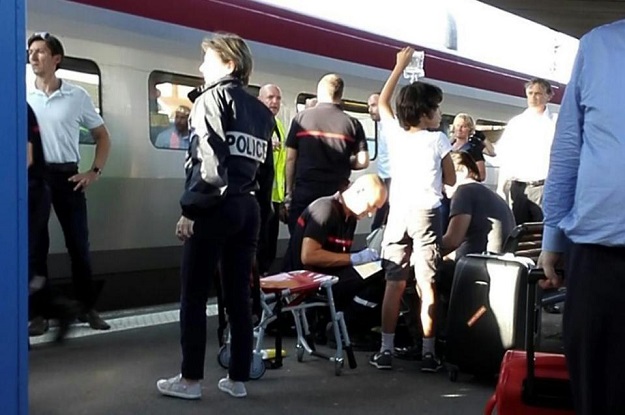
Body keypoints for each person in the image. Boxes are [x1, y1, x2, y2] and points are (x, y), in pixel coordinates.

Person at [157, 33, 275, 400]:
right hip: (250, 209)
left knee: (193, 295)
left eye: (206, 60)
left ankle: (190, 380)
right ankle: (237, 378)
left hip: (215, 208)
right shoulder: (261, 112)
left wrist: (190, 211)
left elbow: (209, 164)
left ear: (229, 64)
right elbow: (267, 172)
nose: (200, 67)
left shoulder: (210, 100)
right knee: (238, 295)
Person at [538, 19, 625, 415]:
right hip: (599, 253)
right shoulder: (598, 46)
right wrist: (553, 236)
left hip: (598, 252)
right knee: (597, 393)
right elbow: (569, 145)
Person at [369, 47, 455, 372]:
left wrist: (398, 67)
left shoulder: (396, 135)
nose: (438, 114)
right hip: (427, 215)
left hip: (398, 214)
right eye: (435, 109)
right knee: (426, 284)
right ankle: (429, 353)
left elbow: (382, 102)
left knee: (394, 282)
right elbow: (450, 178)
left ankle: (385, 350)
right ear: (424, 113)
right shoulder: (438, 141)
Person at [26, 32, 112, 332]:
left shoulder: (77, 96)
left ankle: (87, 308)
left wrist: (94, 171)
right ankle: (38, 314)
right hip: (35, 177)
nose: (33, 56)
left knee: (78, 245)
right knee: (36, 247)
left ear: (56, 59)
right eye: (31, 51)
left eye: (40, 52)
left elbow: (102, 136)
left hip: (68, 177)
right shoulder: (23, 94)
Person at [283, 174, 387, 309]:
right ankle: (348, 322)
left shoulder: (350, 218)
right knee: (377, 277)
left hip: (328, 277)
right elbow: (308, 256)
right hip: (309, 283)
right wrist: (355, 258)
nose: (370, 214)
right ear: (359, 191)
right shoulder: (325, 209)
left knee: (382, 272)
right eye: (371, 206)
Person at [284, 73, 369, 234]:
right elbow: (363, 161)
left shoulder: (301, 119)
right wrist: (344, 161)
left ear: (320, 92)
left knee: (299, 242)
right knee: (331, 244)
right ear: (340, 94)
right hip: (336, 194)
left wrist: (289, 193)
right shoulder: (352, 124)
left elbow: (290, 159)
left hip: (305, 192)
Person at [27, 103, 78, 342]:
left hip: (31, 193)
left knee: (25, 266)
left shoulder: (17, 106)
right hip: (26, 192)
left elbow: (26, 158)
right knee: (26, 268)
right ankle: (58, 309)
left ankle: (58, 308)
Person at [438, 152, 515, 296]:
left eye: (444, 176)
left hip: (477, 265)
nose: (442, 184)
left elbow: (453, 240)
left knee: (425, 273)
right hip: (498, 263)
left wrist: (424, 251)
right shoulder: (490, 194)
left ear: (464, 171)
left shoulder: (464, 192)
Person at [496, 78, 557, 225]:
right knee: (519, 231)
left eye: (538, 93)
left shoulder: (556, 122)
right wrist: (501, 186)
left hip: (544, 186)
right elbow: (506, 156)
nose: (533, 97)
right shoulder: (516, 123)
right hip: (519, 187)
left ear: (549, 96)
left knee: (543, 231)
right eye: (530, 93)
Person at [256, 84, 286, 275]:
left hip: (273, 199)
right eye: (270, 97)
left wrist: (282, 199)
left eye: (277, 98)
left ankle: (264, 280)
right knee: (258, 244)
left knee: (269, 246)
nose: (274, 102)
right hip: (259, 196)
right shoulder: (255, 123)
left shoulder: (279, 126)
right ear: (260, 99)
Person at [367, 93, 392, 231]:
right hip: (384, 178)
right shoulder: (381, 127)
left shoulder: (392, 126)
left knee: (380, 222)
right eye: (369, 106)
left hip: (393, 178)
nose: (370, 109)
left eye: (374, 105)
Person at [450, 113, 487, 181]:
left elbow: (481, 175)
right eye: (458, 125)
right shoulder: (448, 146)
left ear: (470, 129)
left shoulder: (473, 148)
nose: (460, 129)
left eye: (464, 126)